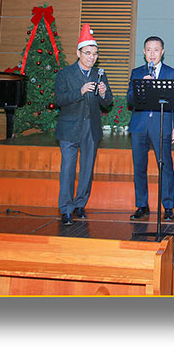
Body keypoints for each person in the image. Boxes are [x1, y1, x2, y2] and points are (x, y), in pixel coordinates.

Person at [53, 24, 114, 226]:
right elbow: (59, 100)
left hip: (91, 128)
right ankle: (66, 209)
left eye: (95, 54)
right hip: (69, 128)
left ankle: (80, 204)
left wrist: (104, 93)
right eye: (88, 53)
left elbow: (108, 103)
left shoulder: (100, 74)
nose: (92, 57)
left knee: (87, 169)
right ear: (78, 53)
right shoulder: (65, 74)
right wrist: (79, 92)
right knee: (68, 169)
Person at [126, 36, 174, 222]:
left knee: (165, 166)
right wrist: (142, 87)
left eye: (156, 50)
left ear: (162, 52)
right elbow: (130, 100)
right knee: (139, 167)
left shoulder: (171, 73)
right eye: (148, 49)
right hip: (139, 125)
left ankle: (168, 207)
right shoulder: (137, 73)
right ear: (144, 52)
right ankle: (142, 205)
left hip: (161, 124)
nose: (152, 53)